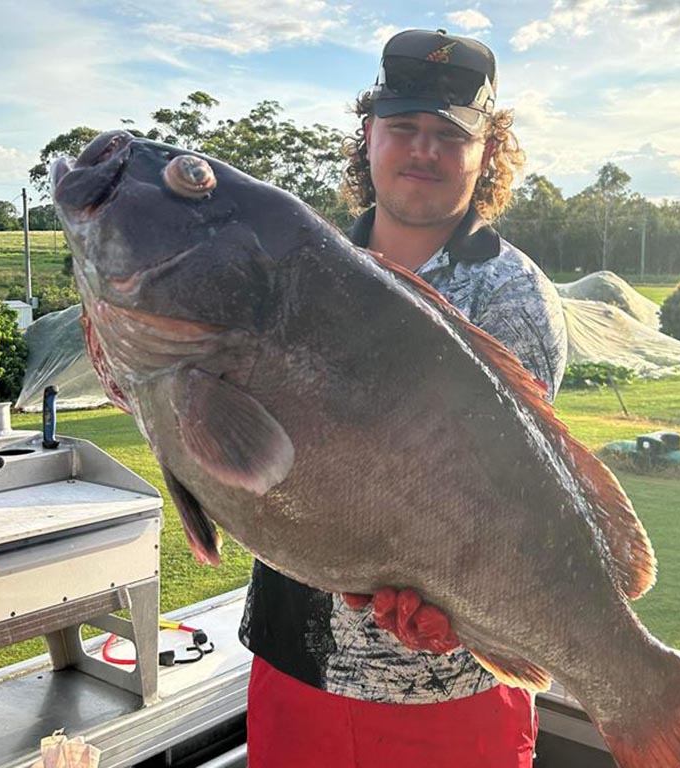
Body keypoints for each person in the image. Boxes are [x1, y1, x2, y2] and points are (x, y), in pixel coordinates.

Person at [239, 28, 568, 768]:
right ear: (368, 137)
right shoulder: (298, 271)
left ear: (486, 155)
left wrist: (452, 608)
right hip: (297, 672)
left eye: (450, 136)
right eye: (404, 128)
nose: (424, 150)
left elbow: (519, 500)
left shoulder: (514, 298)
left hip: (455, 697)